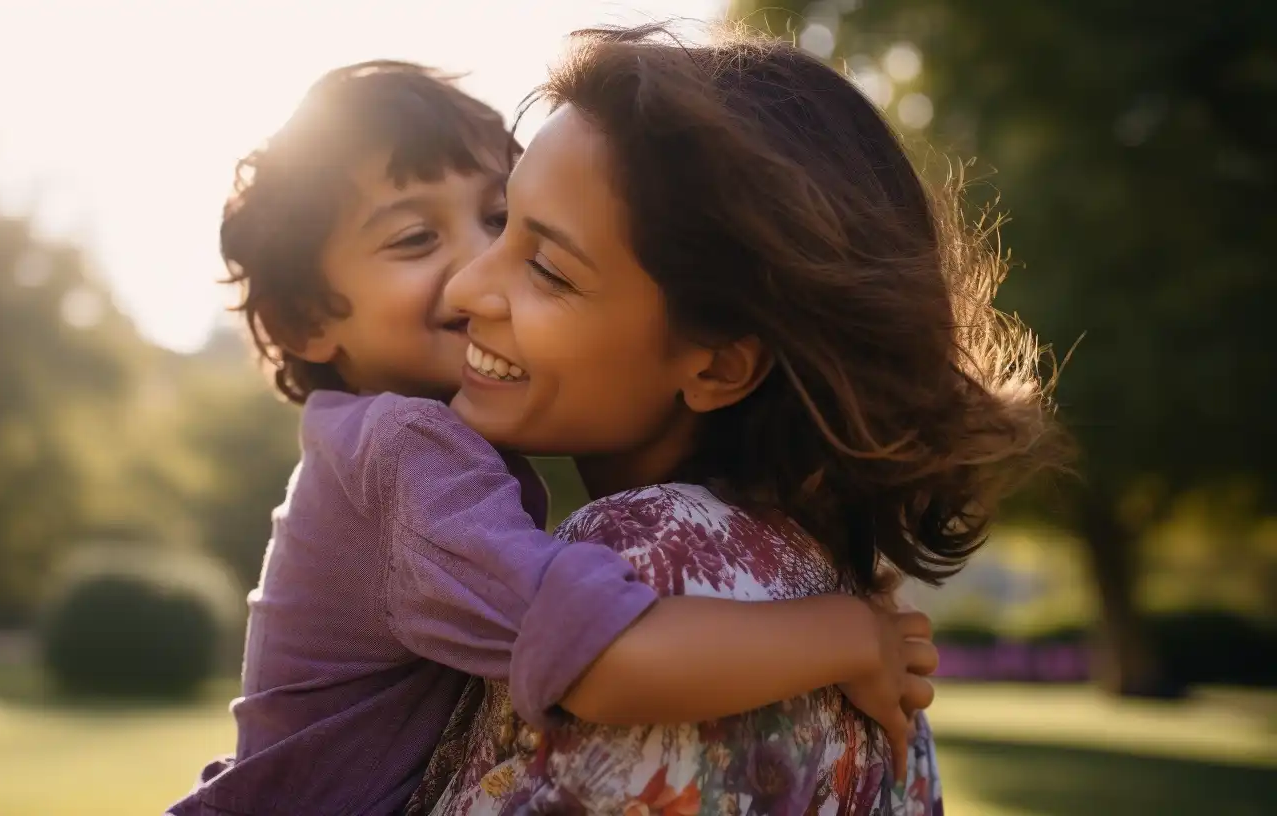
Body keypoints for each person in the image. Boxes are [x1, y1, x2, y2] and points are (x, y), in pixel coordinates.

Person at [167, 60, 938, 816]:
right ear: (305, 322)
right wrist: (846, 633)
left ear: (721, 364)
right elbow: (594, 658)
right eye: (412, 240)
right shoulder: (404, 448)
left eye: (506, 227)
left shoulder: (403, 457)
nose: (471, 271)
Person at [426, 23, 1068, 815]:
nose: (462, 291)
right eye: (502, 225)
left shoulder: (645, 564)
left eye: (548, 269)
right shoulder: (843, 597)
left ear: (720, 365)